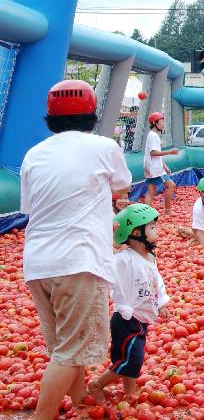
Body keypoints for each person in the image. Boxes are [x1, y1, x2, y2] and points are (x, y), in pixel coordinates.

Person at [20, 80, 132, 419]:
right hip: (78, 260)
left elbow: (30, 207)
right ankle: (43, 415)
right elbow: (123, 184)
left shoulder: (33, 154)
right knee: (71, 348)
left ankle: (81, 399)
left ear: (49, 118)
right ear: (92, 116)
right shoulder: (102, 146)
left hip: (38, 263)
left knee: (64, 345)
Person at [87, 204, 169, 403]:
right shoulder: (124, 259)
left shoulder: (150, 257)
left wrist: (162, 303)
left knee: (131, 357)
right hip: (127, 320)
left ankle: (129, 389)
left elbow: (156, 280)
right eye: (151, 227)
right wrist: (109, 242)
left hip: (141, 318)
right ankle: (96, 385)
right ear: (135, 232)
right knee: (130, 359)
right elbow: (104, 264)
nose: (156, 230)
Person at [143, 112, 178, 216]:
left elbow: (156, 152)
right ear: (155, 123)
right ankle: (167, 211)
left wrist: (164, 165)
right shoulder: (154, 136)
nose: (163, 124)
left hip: (150, 167)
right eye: (162, 121)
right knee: (171, 186)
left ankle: (146, 214)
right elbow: (153, 153)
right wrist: (170, 152)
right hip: (155, 169)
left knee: (151, 192)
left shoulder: (152, 135)